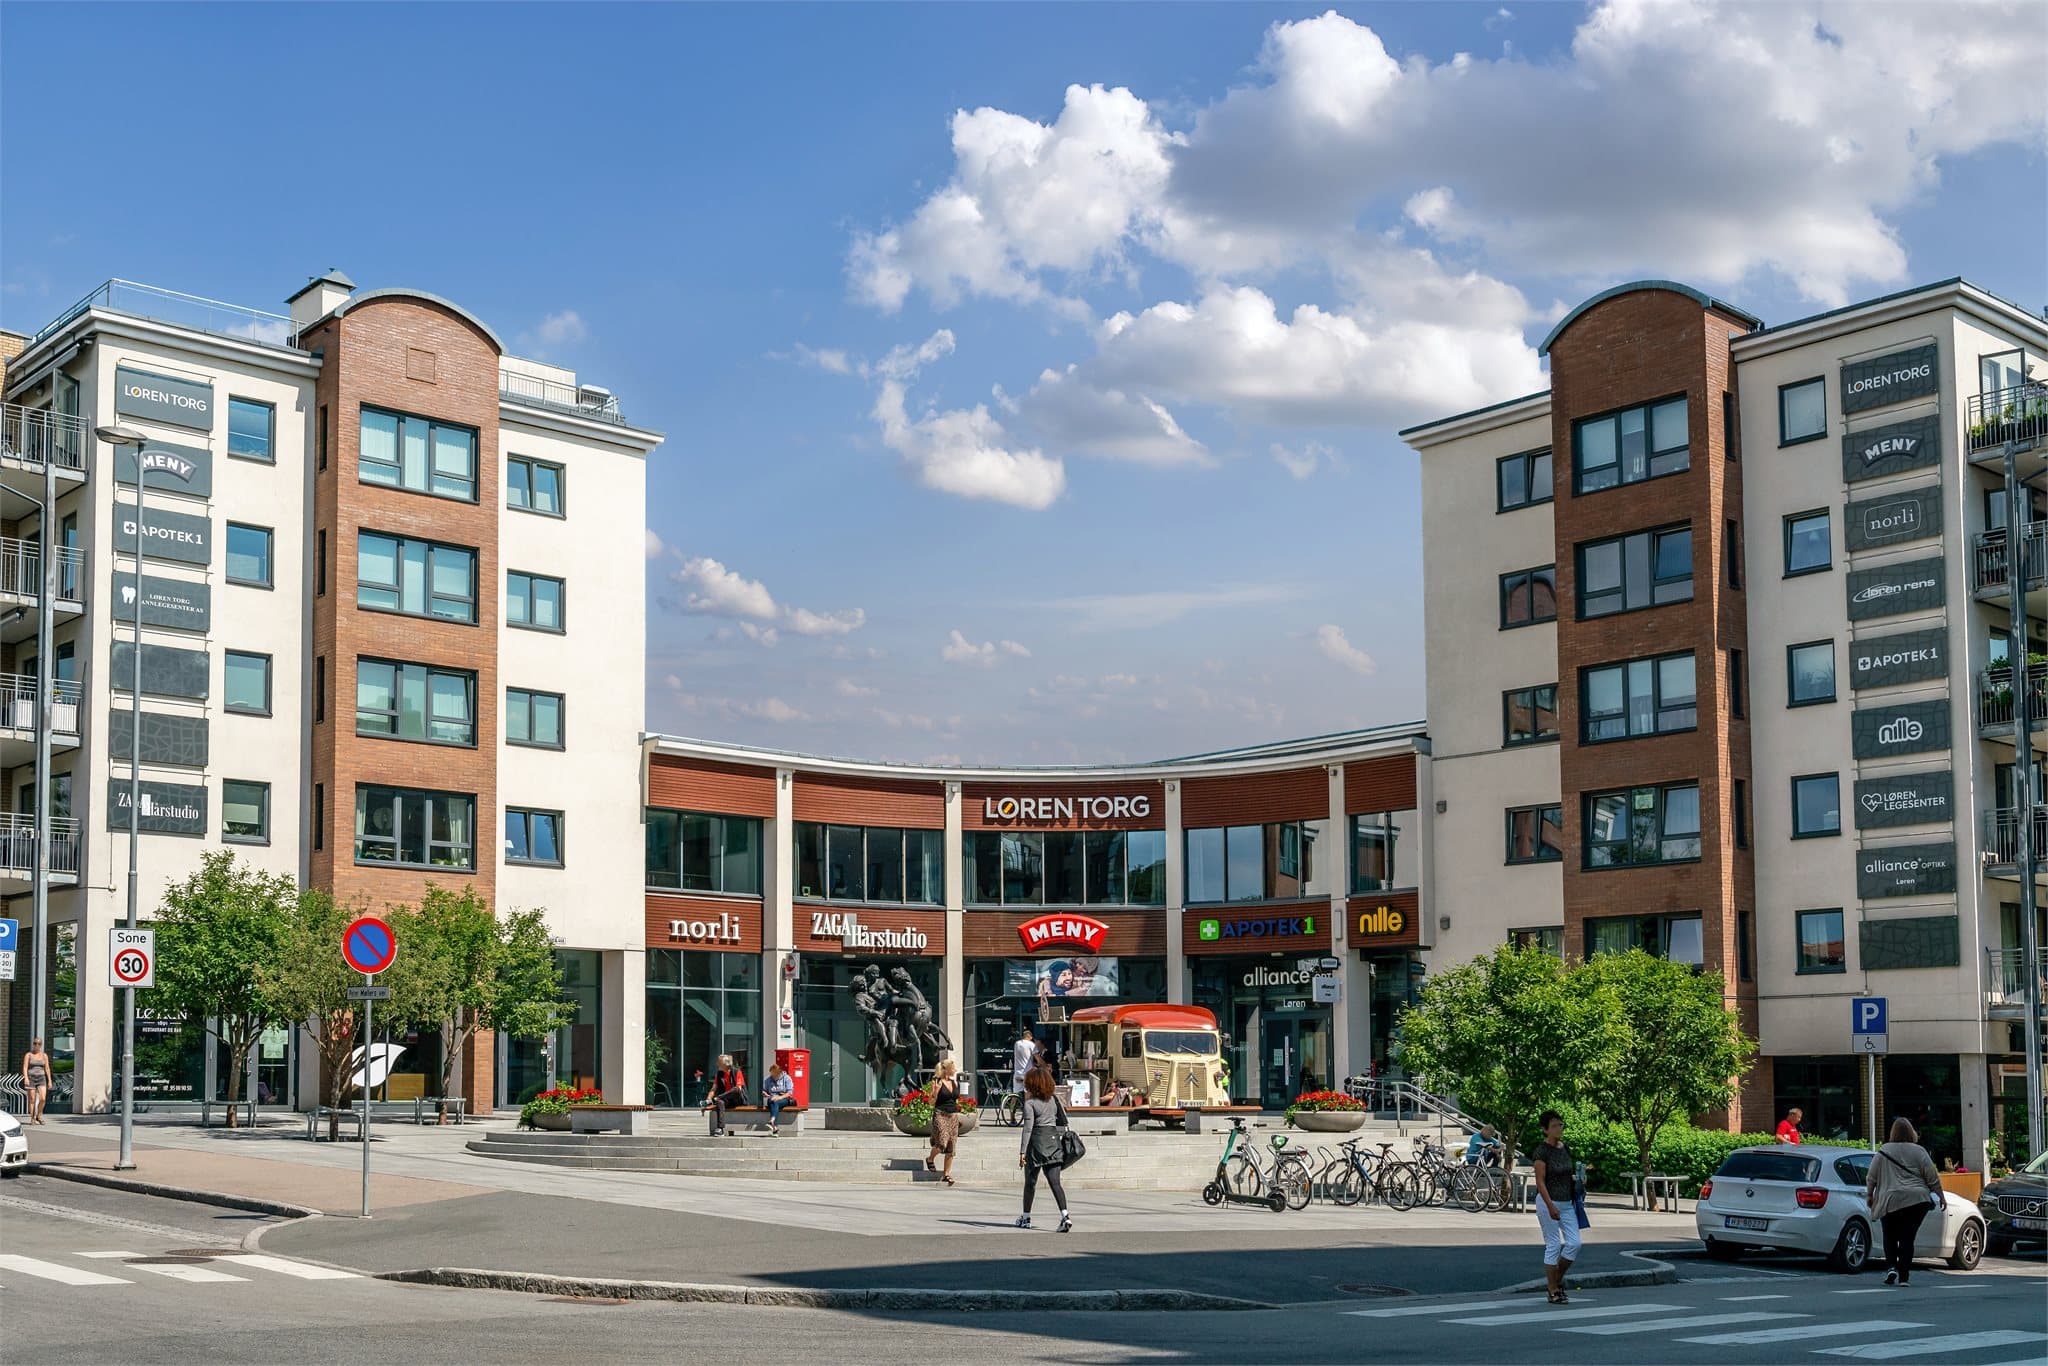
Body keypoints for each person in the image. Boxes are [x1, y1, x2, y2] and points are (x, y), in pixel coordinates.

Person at [1866, 1117, 1944, 1285]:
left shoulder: (1884, 1150)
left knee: (1890, 1235)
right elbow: (1932, 1176)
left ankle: (1891, 1267)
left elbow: (1871, 1176)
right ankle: (1904, 1277)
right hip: (1916, 1200)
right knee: (1908, 1237)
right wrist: (1941, 1195)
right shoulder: (1919, 1151)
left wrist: (1870, 1195)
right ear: (1912, 1132)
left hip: (1890, 1198)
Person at [1530, 1109, 1581, 1304]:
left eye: (1560, 1124)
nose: (1559, 1129)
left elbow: (1567, 1173)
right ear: (1545, 1129)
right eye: (1554, 1126)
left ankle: (1556, 1280)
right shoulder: (1542, 1151)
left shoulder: (1564, 1147)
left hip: (1567, 1202)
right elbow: (1540, 1181)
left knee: (1574, 1243)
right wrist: (1550, 1206)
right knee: (1553, 1244)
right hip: (1547, 1201)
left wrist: (1579, 1180)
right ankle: (1553, 1289)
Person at [1016, 1065, 1071, 1232]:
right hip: (1053, 1142)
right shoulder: (1053, 1101)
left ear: (1031, 1084)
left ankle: (1026, 1217)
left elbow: (1028, 1128)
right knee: (1055, 1183)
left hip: (1036, 1144)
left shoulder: (1030, 1104)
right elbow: (1061, 1121)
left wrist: (1022, 1151)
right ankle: (1065, 1216)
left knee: (1030, 1182)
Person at [924, 1058, 962, 1186]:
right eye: (952, 1067)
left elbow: (955, 1099)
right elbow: (930, 1103)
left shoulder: (954, 1082)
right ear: (946, 1069)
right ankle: (930, 1159)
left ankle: (946, 1174)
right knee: (942, 1142)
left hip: (952, 1116)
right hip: (940, 1114)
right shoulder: (937, 1082)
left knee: (951, 1146)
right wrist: (934, 1092)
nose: (954, 1069)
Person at [702, 1054, 747, 1137]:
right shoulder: (719, 1074)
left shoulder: (737, 1071)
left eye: (719, 1062)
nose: (717, 1064)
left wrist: (717, 1098)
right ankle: (720, 1129)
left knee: (736, 1089)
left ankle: (717, 1098)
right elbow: (713, 1089)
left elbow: (739, 1089)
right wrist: (708, 1100)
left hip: (737, 1099)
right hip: (726, 1099)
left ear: (726, 1064)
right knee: (719, 1102)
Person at [21, 1038, 51, 1125]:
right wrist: (26, 1078)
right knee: (32, 1099)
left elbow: (47, 1068)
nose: (36, 1045)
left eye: (38, 1043)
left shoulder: (44, 1055)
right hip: (31, 1078)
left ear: (41, 1045)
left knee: (43, 1098)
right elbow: (25, 1067)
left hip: (41, 1078)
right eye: (35, 1043)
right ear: (33, 1044)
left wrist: (49, 1080)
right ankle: (33, 1117)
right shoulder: (28, 1055)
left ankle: (39, 1115)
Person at [761, 1061, 795, 1136]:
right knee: (773, 1101)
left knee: (775, 1102)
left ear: (779, 1073)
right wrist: (764, 1093)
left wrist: (779, 1097)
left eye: (774, 1075)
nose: (772, 1076)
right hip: (772, 1098)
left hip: (784, 1098)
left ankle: (773, 1123)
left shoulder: (787, 1078)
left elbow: (790, 1093)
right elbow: (764, 1090)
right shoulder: (768, 1079)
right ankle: (774, 1125)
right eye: (771, 1074)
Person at [1011, 1027, 1039, 1094]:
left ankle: (1011, 1104)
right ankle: (1027, 1104)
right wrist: (1044, 1065)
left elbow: (1024, 1057)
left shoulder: (1017, 1044)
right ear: (1030, 1037)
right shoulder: (1031, 1044)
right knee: (1028, 1093)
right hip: (1027, 1074)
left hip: (1017, 1074)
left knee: (1015, 1094)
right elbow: (1037, 1058)